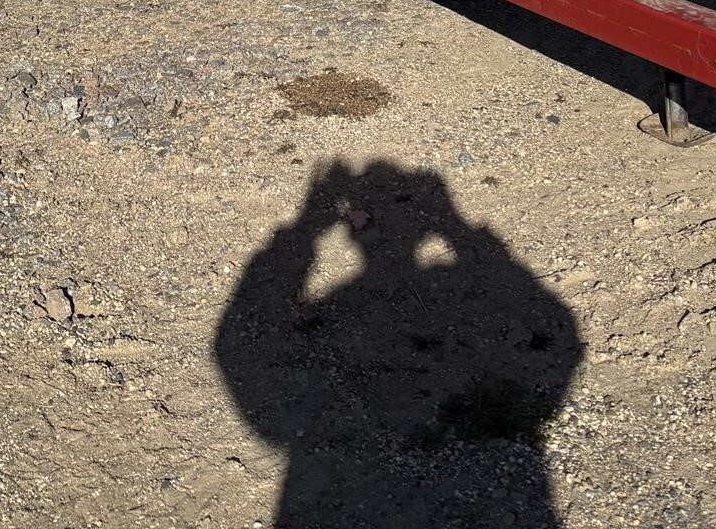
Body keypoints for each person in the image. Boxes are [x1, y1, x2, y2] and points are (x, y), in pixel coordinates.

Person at [213, 161, 583, 528]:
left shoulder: (344, 310)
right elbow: (561, 341)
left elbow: (234, 354)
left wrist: (307, 225)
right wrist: (455, 226)